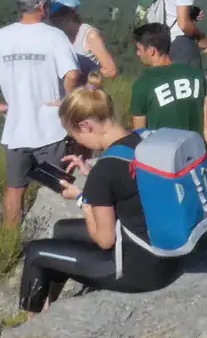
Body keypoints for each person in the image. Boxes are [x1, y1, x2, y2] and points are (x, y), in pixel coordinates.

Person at [17, 88, 175, 311]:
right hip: (165, 253)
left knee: (36, 253)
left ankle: (31, 323)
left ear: (86, 126)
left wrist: (84, 199)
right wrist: (92, 176)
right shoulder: (141, 140)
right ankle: (49, 307)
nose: (77, 143)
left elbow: (104, 240)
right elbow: (128, 183)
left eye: (75, 136)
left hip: (139, 271)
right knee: (62, 229)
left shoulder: (106, 169)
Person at [0, 0, 83, 227]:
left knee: (15, 189)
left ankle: (10, 239)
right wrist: (68, 102)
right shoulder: (54, 36)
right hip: (51, 128)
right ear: (42, 7)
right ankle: (57, 235)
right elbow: (71, 75)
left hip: (16, 129)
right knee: (58, 185)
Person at [128, 23, 207, 191]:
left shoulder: (142, 86)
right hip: (196, 159)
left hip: (164, 166)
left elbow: (140, 135)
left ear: (151, 51)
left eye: (139, 49)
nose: (137, 54)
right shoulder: (196, 75)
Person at [46, 0, 118, 84]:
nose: (53, 22)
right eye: (51, 18)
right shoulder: (58, 36)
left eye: (56, 17)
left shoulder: (89, 35)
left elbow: (111, 71)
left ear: (70, 15)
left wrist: (91, 76)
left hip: (86, 94)